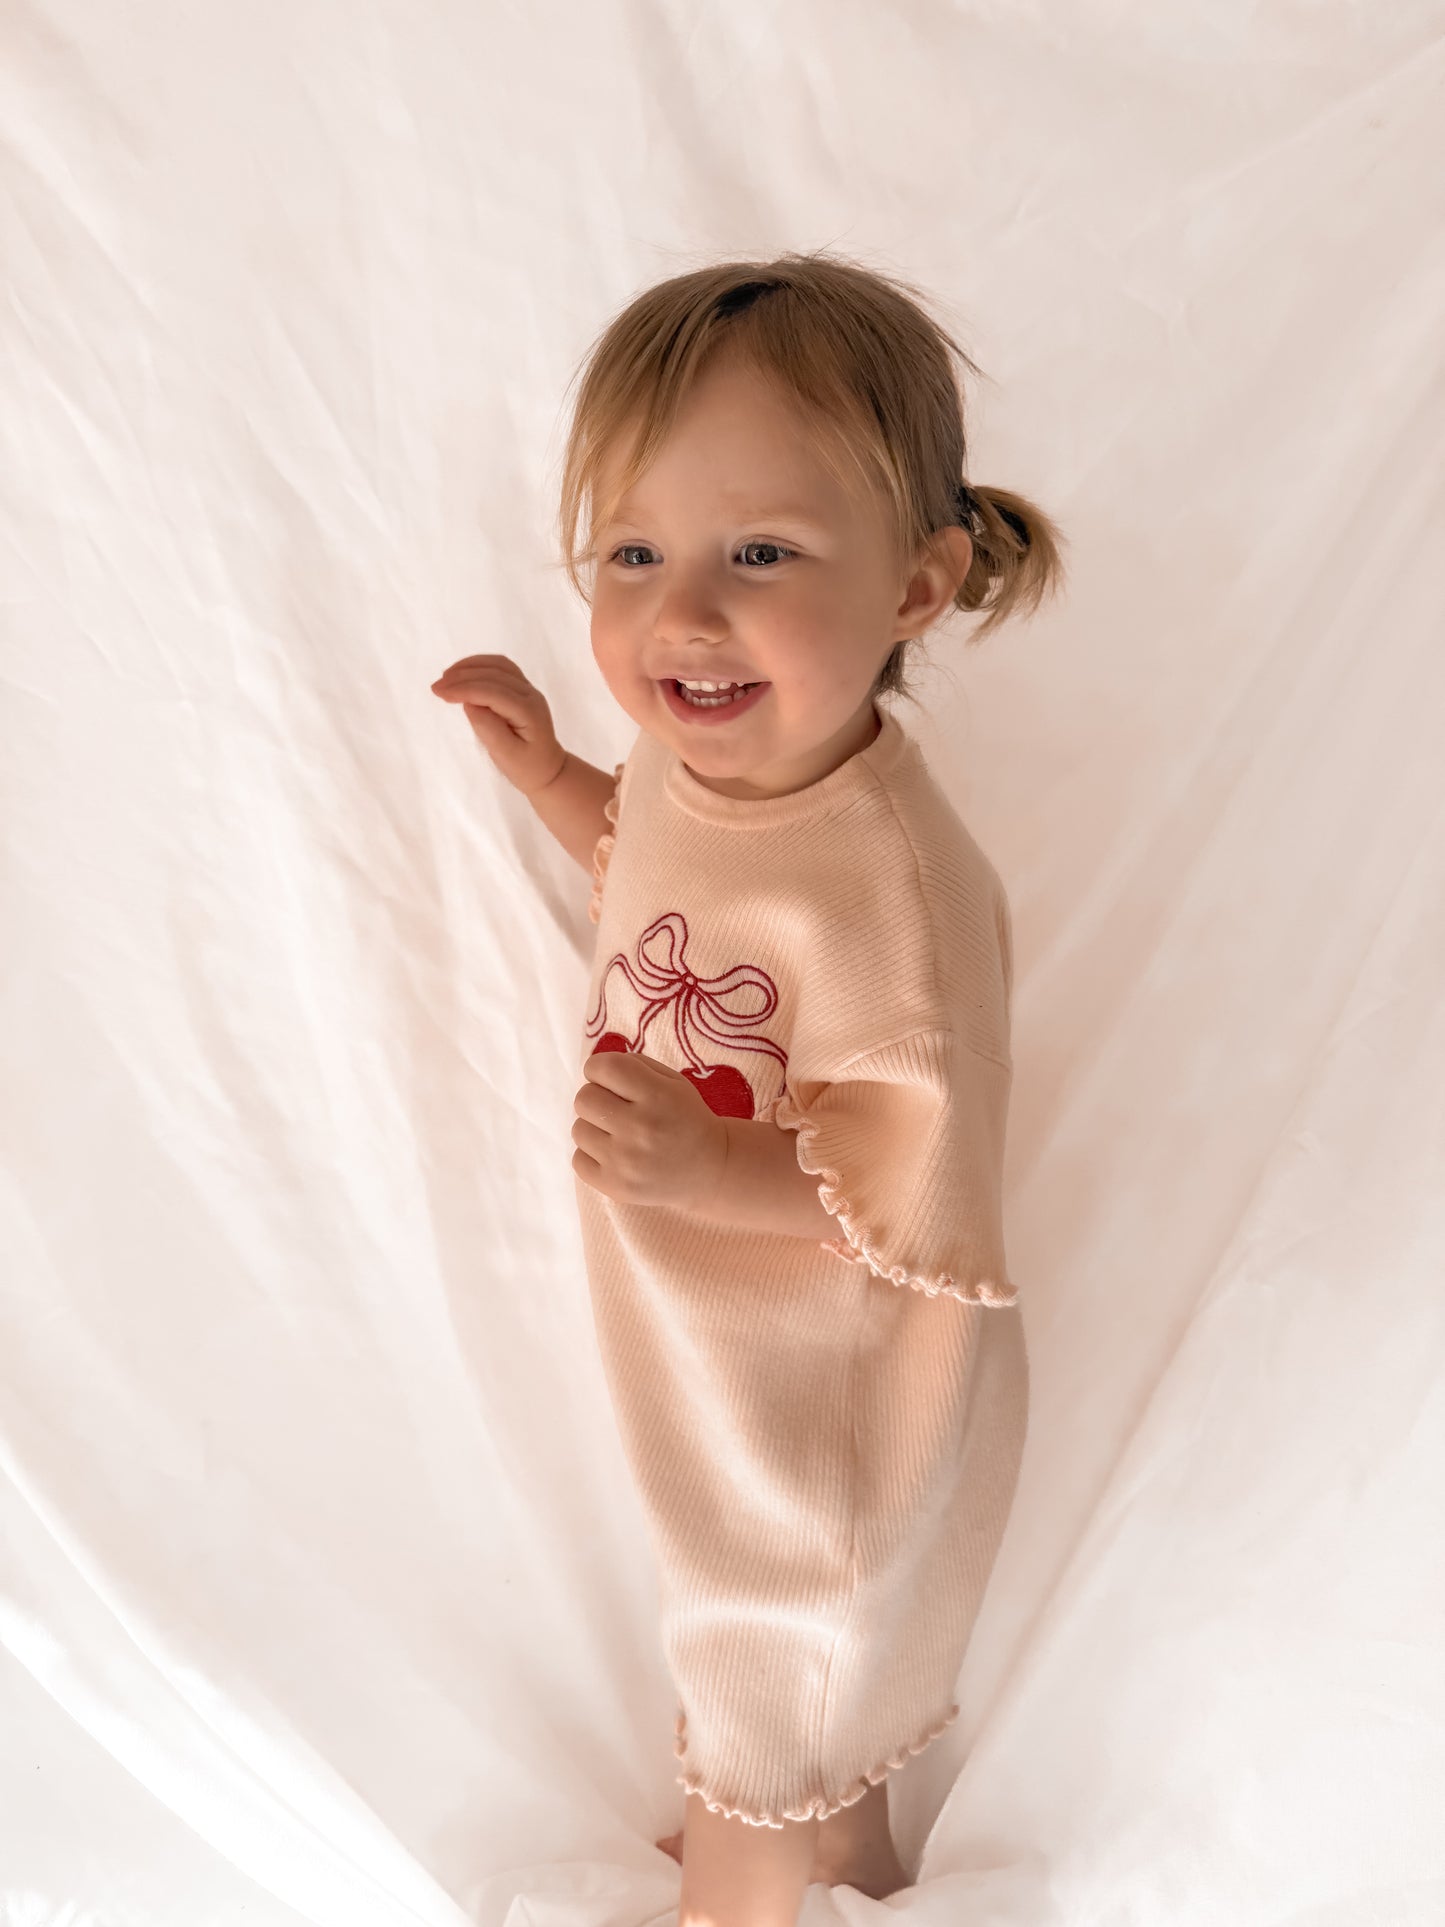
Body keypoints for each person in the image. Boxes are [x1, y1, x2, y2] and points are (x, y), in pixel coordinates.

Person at [431, 250, 1067, 1927]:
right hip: (725, 1346)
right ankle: (842, 1858)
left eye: (759, 554)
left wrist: (707, 1172)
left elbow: (924, 1178)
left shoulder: (893, 888)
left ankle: (741, 1890)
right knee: (793, 1663)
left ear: (917, 585)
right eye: (633, 554)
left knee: (773, 1644)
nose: (682, 617)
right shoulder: (688, 766)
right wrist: (556, 778)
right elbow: (664, 870)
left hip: (835, 1383)